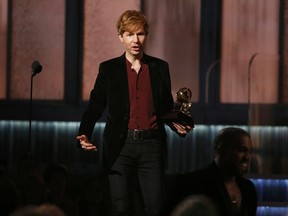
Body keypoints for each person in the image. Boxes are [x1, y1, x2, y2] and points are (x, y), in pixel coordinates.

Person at [76, 9, 192, 216]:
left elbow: (165, 108)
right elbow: (95, 106)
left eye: (140, 33)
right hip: (120, 146)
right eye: (129, 34)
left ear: (146, 35)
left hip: (152, 145)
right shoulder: (109, 69)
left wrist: (178, 126)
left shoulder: (159, 68)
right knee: (120, 208)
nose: (135, 39)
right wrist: (84, 134)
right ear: (120, 37)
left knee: (155, 208)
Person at [161, 127, 257, 216]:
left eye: (250, 151)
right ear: (221, 149)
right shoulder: (192, 183)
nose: (247, 157)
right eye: (241, 150)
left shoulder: (248, 189)